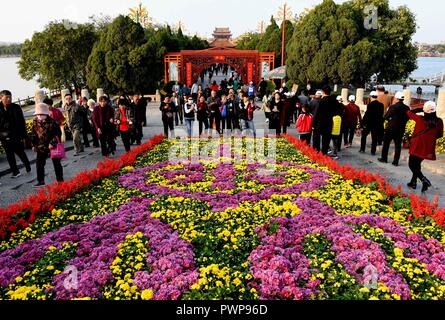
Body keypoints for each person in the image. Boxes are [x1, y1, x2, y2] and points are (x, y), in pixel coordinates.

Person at [406, 101, 444, 192]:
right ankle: (413, 182)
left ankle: (424, 180)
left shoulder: (420, 119)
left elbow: (408, 112)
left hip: (417, 145)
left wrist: (420, 109)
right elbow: (439, 135)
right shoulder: (439, 121)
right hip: (428, 147)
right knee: (417, 164)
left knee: (412, 164)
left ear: (425, 110)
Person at [31, 103, 63, 187]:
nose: (39, 116)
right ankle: (40, 181)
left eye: (41, 114)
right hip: (41, 146)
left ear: (46, 114)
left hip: (52, 146)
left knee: (57, 164)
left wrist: (52, 143)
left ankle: (60, 180)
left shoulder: (52, 122)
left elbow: (57, 134)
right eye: (38, 114)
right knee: (39, 163)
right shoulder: (35, 121)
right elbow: (33, 134)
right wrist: (34, 145)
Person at [0, 90, 31, 178]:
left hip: (16, 134)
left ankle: (27, 164)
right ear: (1, 98)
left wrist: (24, 136)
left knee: (20, 151)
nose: (9, 99)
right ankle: (15, 172)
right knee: (9, 154)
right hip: (4, 135)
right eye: (6, 98)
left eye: (10, 97)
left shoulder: (16, 107)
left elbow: (22, 122)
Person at [378, 91, 410, 166]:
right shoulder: (407, 108)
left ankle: (384, 158)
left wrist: (389, 120)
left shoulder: (393, 107)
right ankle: (395, 162)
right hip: (401, 129)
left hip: (391, 128)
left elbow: (386, 117)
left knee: (386, 144)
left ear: (397, 98)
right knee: (398, 145)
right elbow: (408, 117)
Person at [312, 86, 336, 155]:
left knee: (316, 138)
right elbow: (336, 112)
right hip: (329, 122)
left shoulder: (320, 101)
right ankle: (324, 153)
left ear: (323, 92)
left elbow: (317, 113)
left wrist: (313, 124)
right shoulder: (334, 101)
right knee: (326, 139)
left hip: (320, 122)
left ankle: (316, 152)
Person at [360, 91, 384, 156]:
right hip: (377, 124)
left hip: (369, 123)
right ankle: (373, 151)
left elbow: (367, 115)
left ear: (371, 97)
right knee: (374, 138)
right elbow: (381, 115)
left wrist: (362, 123)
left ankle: (362, 149)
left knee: (364, 135)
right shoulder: (381, 105)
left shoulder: (370, 105)